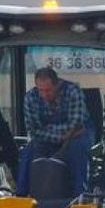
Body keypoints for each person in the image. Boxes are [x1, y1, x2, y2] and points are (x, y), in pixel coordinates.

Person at [17, 66, 93, 196]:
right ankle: (21, 195)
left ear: (57, 85)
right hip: (57, 138)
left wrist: (47, 131)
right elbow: (33, 131)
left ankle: (80, 196)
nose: (44, 95)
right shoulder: (30, 98)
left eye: (48, 90)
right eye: (41, 90)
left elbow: (75, 126)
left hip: (77, 137)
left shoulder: (73, 92)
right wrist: (63, 135)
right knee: (28, 151)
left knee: (77, 149)